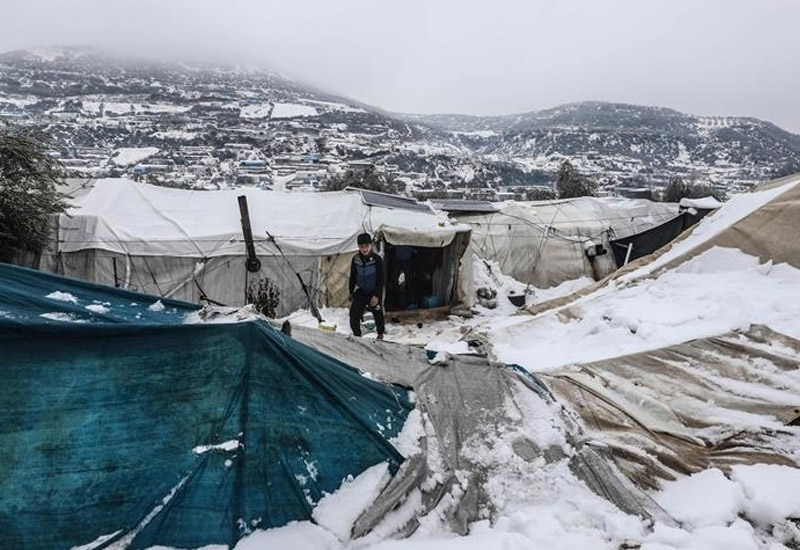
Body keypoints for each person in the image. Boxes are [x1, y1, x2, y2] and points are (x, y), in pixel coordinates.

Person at [349, 232, 386, 340]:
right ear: (358, 247)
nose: (364, 249)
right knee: (354, 314)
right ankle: (357, 335)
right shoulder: (355, 259)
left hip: (373, 291)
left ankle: (380, 334)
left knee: (378, 313)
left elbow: (381, 279)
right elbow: (353, 276)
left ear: (371, 245)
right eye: (362, 247)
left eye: (367, 246)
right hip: (361, 290)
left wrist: (377, 295)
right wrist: (351, 292)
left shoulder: (377, 259)